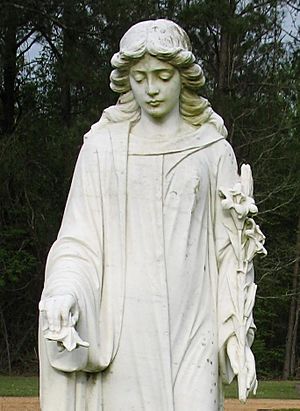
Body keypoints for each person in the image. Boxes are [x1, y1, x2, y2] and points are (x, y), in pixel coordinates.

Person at [39, 19, 264, 411]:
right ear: (127, 81)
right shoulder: (101, 149)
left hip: (195, 332)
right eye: (140, 78)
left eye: (162, 76)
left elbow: (231, 253)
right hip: (126, 333)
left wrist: (234, 335)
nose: (151, 89)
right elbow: (78, 241)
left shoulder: (212, 151)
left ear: (183, 77)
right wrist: (64, 290)